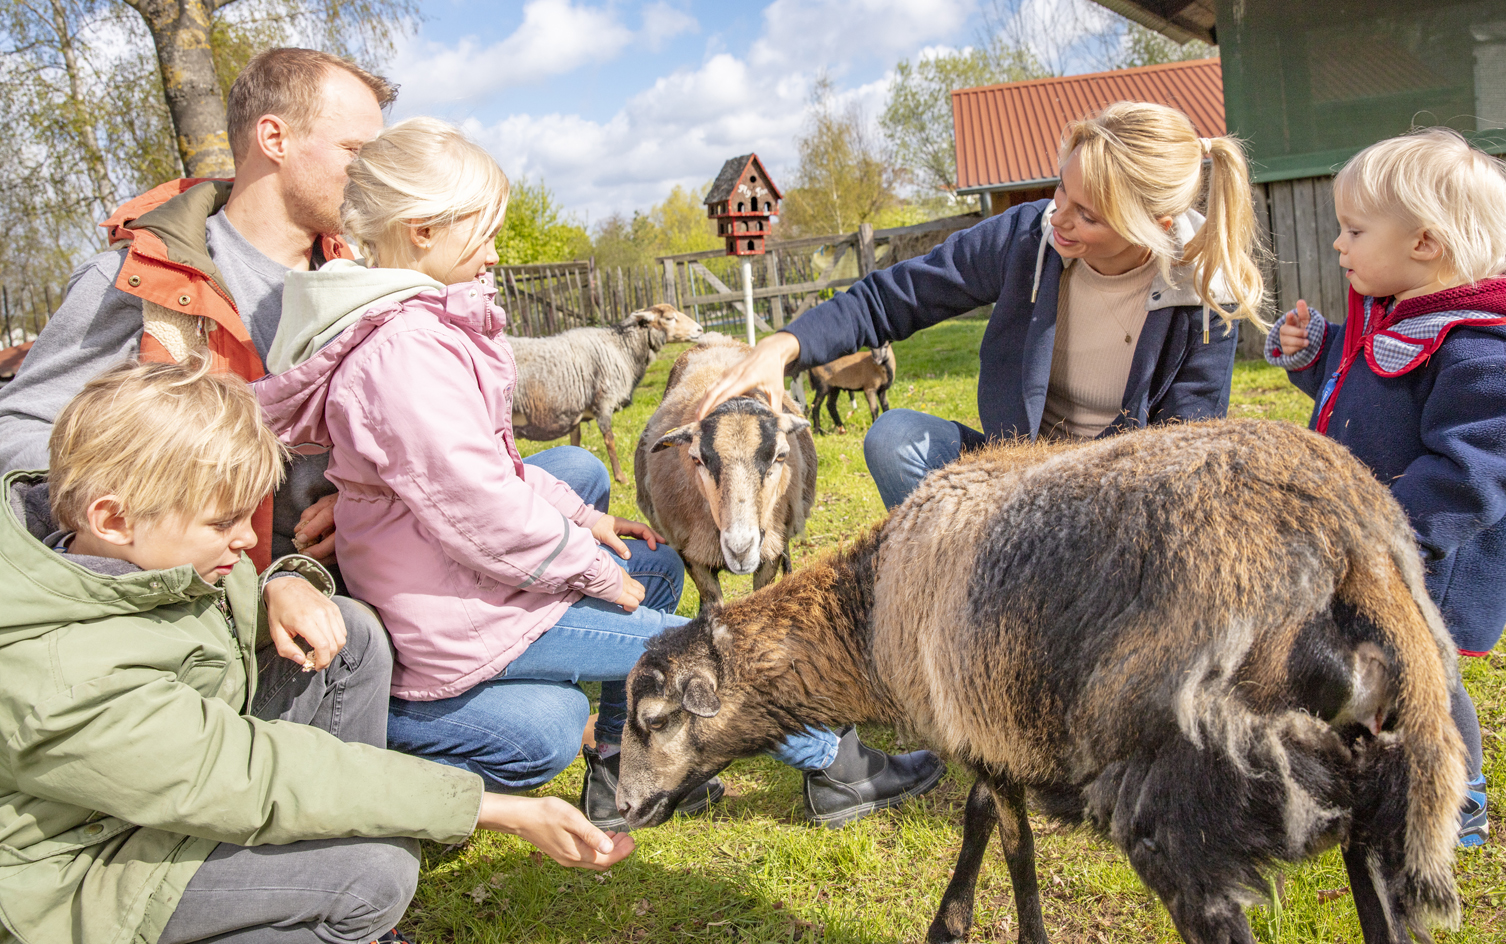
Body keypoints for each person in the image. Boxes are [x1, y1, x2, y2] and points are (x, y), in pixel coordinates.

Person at [252, 117, 944, 829]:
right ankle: (839, 770)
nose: (495, 249)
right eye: (483, 229)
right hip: (466, 610)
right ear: (424, 231)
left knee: (652, 564)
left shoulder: (424, 331)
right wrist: (586, 566)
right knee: (695, 650)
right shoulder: (405, 353)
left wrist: (589, 519)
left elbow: (494, 468)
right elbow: (482, 510)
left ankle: (621, 775)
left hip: (466, 585)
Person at [0, 362, 634, 944]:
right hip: (86, 878)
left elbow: (235, 614)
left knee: (349, 631)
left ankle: (326, 859)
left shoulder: (127, 559)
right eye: (223, 524)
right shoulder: (61, 680)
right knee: (374, 871)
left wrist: (287, 579)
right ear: (113, 518)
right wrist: (491, 810)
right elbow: (256, 772)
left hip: (161, 804)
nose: (246, 538)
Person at [698, 101, 1271, 509]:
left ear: (1154, 225)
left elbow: (1182, 458)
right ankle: (965, 598)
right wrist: (784, 345)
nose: (1060, 217)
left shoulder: (1204, 297)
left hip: (1118, 500)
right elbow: (894, 297)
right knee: (893, 438)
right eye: (1060, 189)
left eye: (1089, 215)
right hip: (1011, 474)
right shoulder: (1029, 237)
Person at [1266, 127, 1506, 848]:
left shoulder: (1487, 352)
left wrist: (1392, 535)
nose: (1339, 244)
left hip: (1430, 558)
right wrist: (1315, 351)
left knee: (1429, 678)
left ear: (1424, 243)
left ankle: (1458, 796)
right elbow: (1365, 380)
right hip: (1373, 547)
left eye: (1355, 230)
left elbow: (1483, 461)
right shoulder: (1405, 318)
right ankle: (1367, 764)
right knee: (1373, 663)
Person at [0, 47, 392, 571]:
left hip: (364, 566)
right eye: (354, 151)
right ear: (274, 138)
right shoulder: (137, 277)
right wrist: (157, 501)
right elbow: (19, 432)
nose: (372, 176)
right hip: (211, 602)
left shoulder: (365, 283)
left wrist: (362, 500)